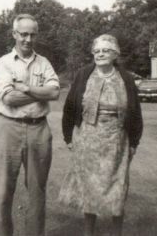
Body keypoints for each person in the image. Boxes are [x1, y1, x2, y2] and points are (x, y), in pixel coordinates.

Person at [59, 34, 143, 236]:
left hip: (117, 141)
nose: (100, 54)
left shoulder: (126, 78)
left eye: (105, 50)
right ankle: (88, 232)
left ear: (115, 54)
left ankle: (116, 232)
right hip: (88, 140)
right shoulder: (83, 75)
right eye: (96, 51)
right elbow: (70, 107)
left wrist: (134, 142)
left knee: (118, 187)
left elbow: (135, 111)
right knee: (90, 188)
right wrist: (69, 137)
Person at [0, 14, 60, 236]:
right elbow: (9, 99)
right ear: (14, 34)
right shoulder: (3, 63)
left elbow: (55, 92)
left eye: (32, 34)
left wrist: (27, 89)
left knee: (37, 192)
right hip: (7, 128)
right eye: (23, 34)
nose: (28, 39)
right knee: (2, 191)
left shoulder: (44, 63)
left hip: (39, 130)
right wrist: (41, 94)